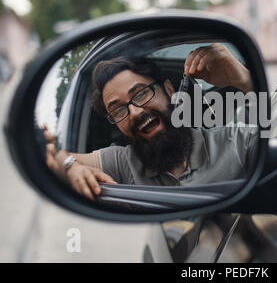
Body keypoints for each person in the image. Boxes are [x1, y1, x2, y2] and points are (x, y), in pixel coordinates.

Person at [46, 44, 259, 200]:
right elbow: (53, 157)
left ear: (169, 90)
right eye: (118, 109)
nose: (135, 112)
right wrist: (70, 167)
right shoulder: (123, 162)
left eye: (140, 94)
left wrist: (243, 80)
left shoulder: (234, 140)